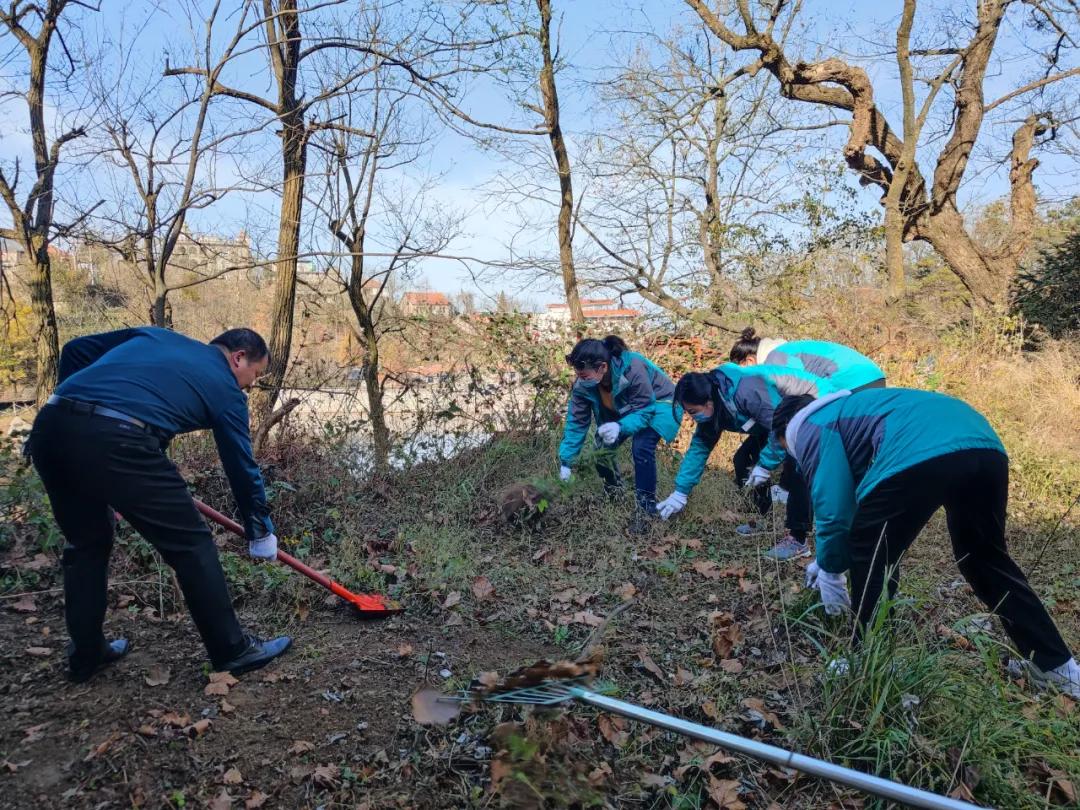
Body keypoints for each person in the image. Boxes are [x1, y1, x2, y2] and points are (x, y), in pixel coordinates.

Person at [771, 388, 1080, 698]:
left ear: (785, 431)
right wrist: (826, 556)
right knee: (984, 558)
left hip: (921, 448)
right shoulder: (853, 408)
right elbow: (865, 496)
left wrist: (830, 570)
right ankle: (1056, 666)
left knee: (872, 549)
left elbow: (836, 513)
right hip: (984, 443)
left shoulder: (809, 426)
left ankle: (867, 658)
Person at [27, 326, 292, 683]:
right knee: (191, 544)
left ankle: (86, 655)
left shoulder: (158, 338)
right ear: (238, 358)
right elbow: (241, 466)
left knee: (88, 543)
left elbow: (75, 349)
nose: (250, 385)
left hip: (52, 428)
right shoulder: (226, 388)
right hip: (119, 440)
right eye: (255, 375)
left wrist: (79, 417)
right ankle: (234, 650)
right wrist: (260, 531)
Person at [656, 363, 834, 560]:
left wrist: (765, 465)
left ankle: (798, 539)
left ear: (708, 403)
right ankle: (763, 519)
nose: (691, 416)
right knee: (743, 460)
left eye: (692, 410)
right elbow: (699, 449)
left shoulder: (746, 391)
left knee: (796, 466)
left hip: (812, 404)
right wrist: (680, 492)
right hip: (773, 421)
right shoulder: (715, 408)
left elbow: (780, 425)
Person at [728, 328, 886, 533]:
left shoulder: (775, 360)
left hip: (854, 385)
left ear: (749, 362)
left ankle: (809, 530)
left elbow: (789, 416)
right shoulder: (783, 353)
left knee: (815, 452)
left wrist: (765, 465)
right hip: (867, 380)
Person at [558, 336, 682, 531]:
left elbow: (645, 409)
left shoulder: (632, 367)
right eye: (578, 375)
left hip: (660, 405)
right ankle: (615, 494)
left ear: (603, 367)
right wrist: (566, 462)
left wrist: (620, 427)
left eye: (585, 376)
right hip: (626, 411)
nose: (580, 380)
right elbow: (576, 423)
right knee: (601, 449)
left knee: (641, 445)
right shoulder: (583, 387)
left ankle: (645, 510)